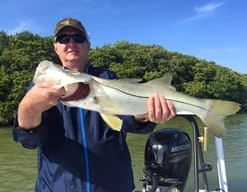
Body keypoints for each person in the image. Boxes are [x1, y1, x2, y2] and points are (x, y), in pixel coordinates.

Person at [13, 17, 176, 192]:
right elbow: (30, 141)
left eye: (78, 38)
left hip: (114, 186)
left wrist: (142, 116)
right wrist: (28, 107)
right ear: (56, 48)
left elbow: (128, 123)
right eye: (63, 39)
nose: (71, 43)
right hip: (57, 187)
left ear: (88, 45)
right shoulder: (41, 87)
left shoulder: (108, 77)